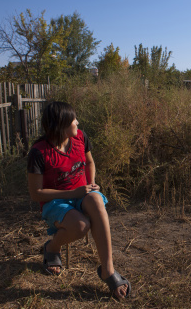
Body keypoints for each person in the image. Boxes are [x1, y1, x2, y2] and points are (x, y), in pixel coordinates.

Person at [27, 101, 130, 300]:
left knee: (97, 201)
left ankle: (108, 270)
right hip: (55, 201)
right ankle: (52, 248)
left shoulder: (81, 137)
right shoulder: (38, 152)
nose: (77, 122)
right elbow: (36, 193)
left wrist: (91, 184)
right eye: (73, 119)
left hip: (80, 193)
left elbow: (89, 162)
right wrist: (72, 193)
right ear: (60, 125)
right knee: (81, 226)